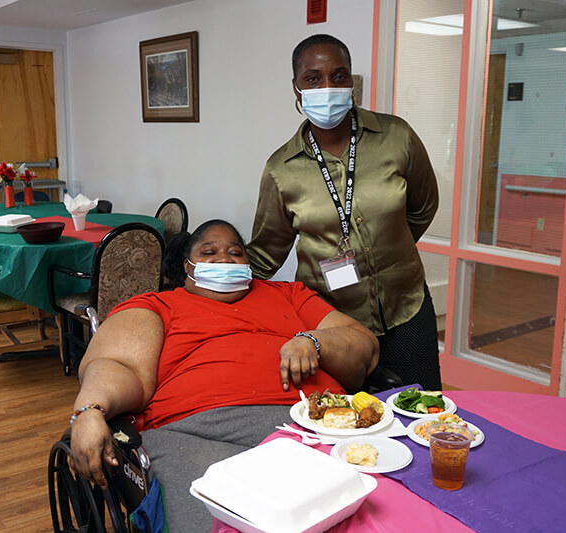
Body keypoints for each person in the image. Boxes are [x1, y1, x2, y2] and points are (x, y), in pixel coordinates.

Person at [69, 219, 379, 531]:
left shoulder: (289, 295)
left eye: (235, 252)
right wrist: (90, 410)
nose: (224, 259)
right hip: (198, 431)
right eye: (209, 252)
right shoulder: (158, 305)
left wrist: (314, 340)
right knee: (230, 514)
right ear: (187, 267)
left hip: (319, 425)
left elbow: (362, 344)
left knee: (377, 507)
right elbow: (117, 365)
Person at [247, 33, 442, 391]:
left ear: (351, 80)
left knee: (421, 409)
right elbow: (264, 253)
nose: (327, 86)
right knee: (345, 421)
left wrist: (389, 251)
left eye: (338, 76)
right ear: (296, 88)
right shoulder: (282, 168)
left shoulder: (396, 136)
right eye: (312, 78)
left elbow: (424, 206)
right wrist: (214, 283)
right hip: (330, 320)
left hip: (406, 304)